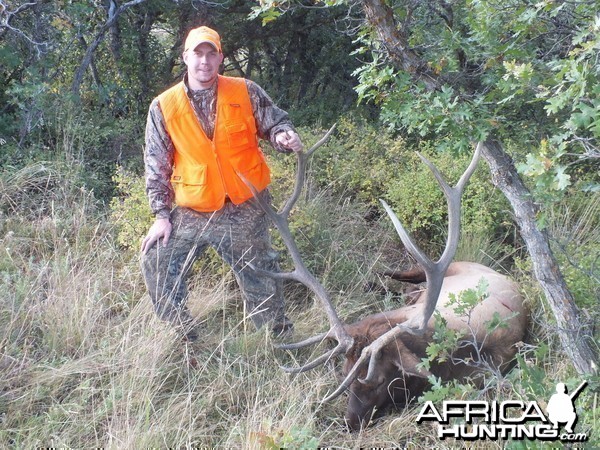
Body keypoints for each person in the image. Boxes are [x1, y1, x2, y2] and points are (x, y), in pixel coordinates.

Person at [140, 25, 303, 342]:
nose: (204, 61)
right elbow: (156, 162)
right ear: (185, 57)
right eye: (197, 54)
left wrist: (284, 136)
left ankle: (275, 340)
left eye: (210, 54)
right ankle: (183, 336)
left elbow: (275, 123)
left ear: (220, 58)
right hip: (195, 209)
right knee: (155, 258)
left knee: (261, 274)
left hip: (247, 205)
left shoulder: (246, 90)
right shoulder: (163, 106)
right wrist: (161, 215)